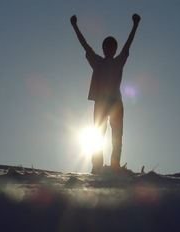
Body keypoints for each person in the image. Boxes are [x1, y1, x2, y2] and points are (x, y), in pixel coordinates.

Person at [71, 14, 141, 174]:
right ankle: (97, 166)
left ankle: (114, 165)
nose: (109, 49)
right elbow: (85, 45)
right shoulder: (97, 62)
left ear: (114, 49)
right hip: (101, 103)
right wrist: (75, 26)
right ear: (104, 49)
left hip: (115, 103)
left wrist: (135, 25)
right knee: (97, 135)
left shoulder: (118, 61)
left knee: (117, 136)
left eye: (112, 47)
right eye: (107, 47)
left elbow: (128, 45)